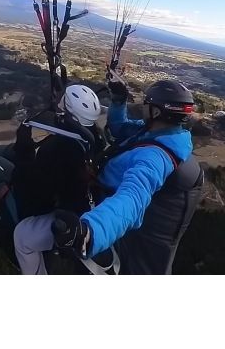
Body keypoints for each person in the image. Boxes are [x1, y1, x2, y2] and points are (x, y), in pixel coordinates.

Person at [47, 78, 204, 275]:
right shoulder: (158, 132)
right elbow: (120, 128)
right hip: (100, 190)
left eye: (147, 104)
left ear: (156, 112)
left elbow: (132, 199)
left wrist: (90, 232)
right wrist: (119, 102)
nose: (143, 107)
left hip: (99, 204)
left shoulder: (154, 157)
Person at [0, 84, 105, 259]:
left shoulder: (56, 150)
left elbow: (25, 185)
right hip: (63, 198)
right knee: (11, 151)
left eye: (62, 105)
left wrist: (24, 149)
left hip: (37, 209)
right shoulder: (93, 141)